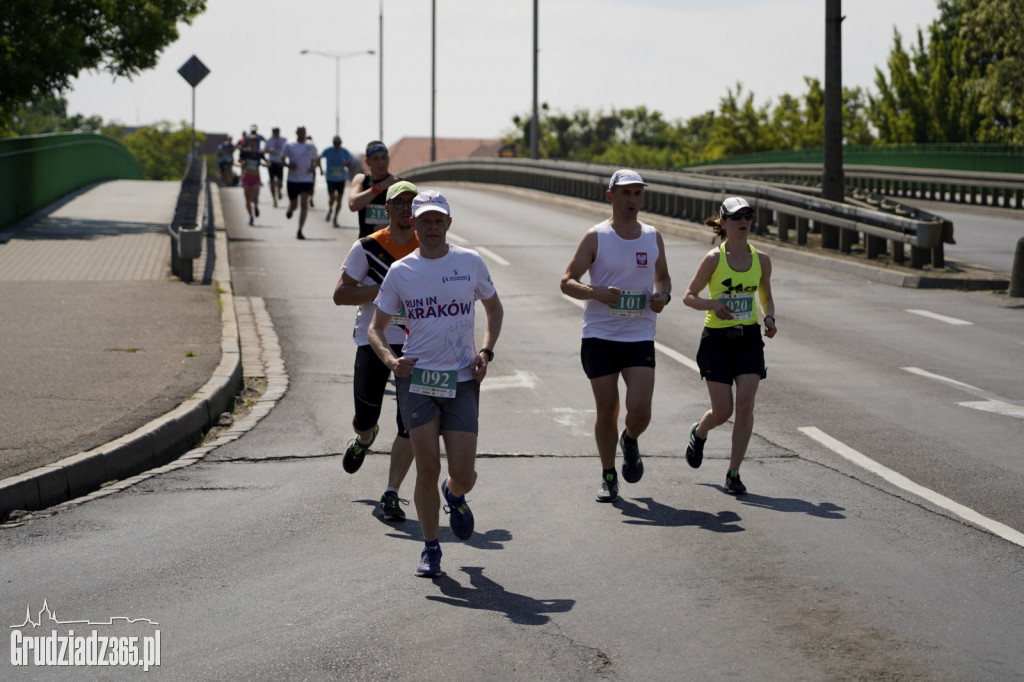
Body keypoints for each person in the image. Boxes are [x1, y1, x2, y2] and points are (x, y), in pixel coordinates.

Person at [368, 190, 503, 578]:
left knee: (463, 472)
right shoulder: (402, 271)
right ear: (413, 222)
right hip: (419, 381)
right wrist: (391, 360)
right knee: (427, 467)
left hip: (462, 379)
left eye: (437, 219)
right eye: (423, 220)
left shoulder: (470, 262)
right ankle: (431, 548)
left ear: (448, 223)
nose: (431, 226)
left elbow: (494, 309)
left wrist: (486, 351)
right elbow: (376, 328)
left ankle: (456, 494)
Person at [560, 169, 671, 503]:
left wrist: (661, 296)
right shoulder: (596, 236)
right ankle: (608, 476)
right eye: (625, 193)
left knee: (641, 409)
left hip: (639, 333)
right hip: (600, 335)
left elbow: (663, 278)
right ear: (611, 196)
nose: (632, 200)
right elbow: (567, 281)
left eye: (637, 194)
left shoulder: (652, 236)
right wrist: (595, 292)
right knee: (607, 408)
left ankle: (631, 438)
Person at [332, 180, 420, 522]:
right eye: (399, 203)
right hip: (373, 339)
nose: (405, 209)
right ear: (387, 209)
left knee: (410, 423)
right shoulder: (368, 247)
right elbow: (340, 294)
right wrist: (381, 291)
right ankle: (365, 438)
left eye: (411, 203)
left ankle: (391, 493)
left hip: (415, 344)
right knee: (364, 417)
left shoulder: (425, 248)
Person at [681, 196, 777, 495]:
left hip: (748, 339)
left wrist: (770, 317)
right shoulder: (714, 259)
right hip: (717, 341)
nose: (743, 221)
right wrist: (713, 303)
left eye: (747, 216)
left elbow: (765, 296)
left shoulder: (761, 259)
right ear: (723, 222)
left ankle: (733, 473)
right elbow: (688, 296)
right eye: (736, 217)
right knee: (723, 411)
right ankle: (700, 431)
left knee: (746, 406)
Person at [349, 141, 399, 239]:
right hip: (366, 245)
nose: (381, 162)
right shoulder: (362, 180)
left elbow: (413, 220)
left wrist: (390, 227)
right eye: (375, 159)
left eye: (383, 158)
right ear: (367, 162)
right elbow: (353, 205)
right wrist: (381, 186)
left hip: (392, 246)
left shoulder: (398, 184)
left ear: (388, 159)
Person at [281, 126, 319, 239]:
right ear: (296, 133)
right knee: (294, 205)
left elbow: (316, 159)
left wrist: (314, 168)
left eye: (304, 132)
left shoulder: (311, 145)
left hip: (306, 179)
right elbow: (282, 159)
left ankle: (300, 230)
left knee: (304, 203)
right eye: (300, 132)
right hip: (293, 179)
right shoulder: (289, 144)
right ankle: (290, 209)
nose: (302, 134)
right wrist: (288, 165)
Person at [320, 136, 356, 227]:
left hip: (341, 179)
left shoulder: (344, 151)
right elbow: (318, 158)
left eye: (338, 143)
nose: (336, 145)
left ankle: (335, 218)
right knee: (332, 198)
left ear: (341, 143)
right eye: (335, 143)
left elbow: (351, 165)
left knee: (339, 199)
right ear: (333, 143)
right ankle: (330, 209)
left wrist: (347, 164)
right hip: (330, 178)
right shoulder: (328, 150)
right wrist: (320, 169)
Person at [237, 134, 267, 226]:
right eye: (252, 142)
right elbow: (238, 161)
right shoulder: (245, 152)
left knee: (255, 197)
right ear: (249, 143)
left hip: (256, 178)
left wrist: (266, 164)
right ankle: (250, 217)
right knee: (247, 200)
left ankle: (256, 206)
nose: (253, 144)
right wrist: (240, 164)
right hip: (246, 177)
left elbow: (266, 162)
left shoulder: (259, 153)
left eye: (255, 142)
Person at [264, 127, 287, 207]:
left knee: (280, 182)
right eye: (274, 132)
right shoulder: (269, 140)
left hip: (280, 163)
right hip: (272, 162)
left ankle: (279, 190)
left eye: (277, 132)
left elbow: (287, 150)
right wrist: (269, 151)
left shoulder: (284, 140)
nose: (276, 133)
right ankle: (274, 199)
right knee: (272, 182)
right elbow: (264, 150)